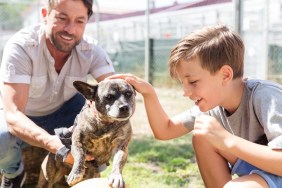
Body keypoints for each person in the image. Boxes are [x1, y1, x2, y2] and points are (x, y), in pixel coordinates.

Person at [109, 25, 282, 188]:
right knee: (202, 136)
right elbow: (165, 130)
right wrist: (149, 93)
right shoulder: (213, 104)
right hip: (261, 170)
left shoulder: (266, 96)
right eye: (183, 83)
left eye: (192, 82)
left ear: (225, 75)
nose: (185, 91)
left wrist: (226, 140)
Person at [0, 0, 115, 187]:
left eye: (80, 21)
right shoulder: (21, 47)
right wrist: (55, 145)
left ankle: (90, 172)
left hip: (65, 113)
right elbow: (13, 114)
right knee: (1, 138)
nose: (70, 29)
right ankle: (13, 174)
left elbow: (115, 91)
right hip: (23, 114)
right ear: (45, 14)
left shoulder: (91, 50)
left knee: (105, 123)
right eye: (62, 18)